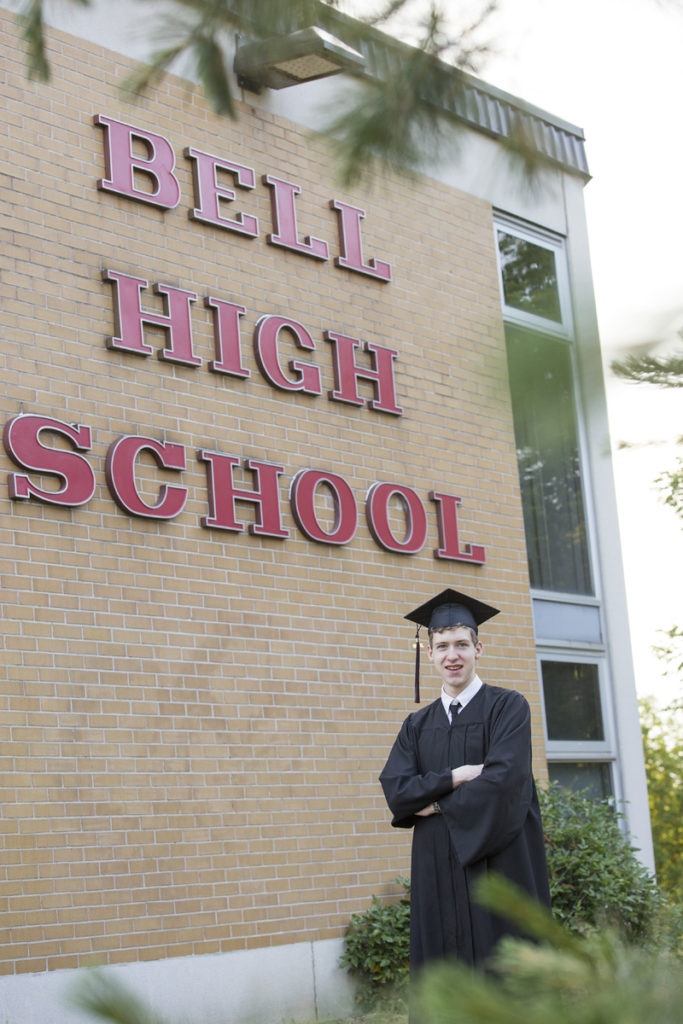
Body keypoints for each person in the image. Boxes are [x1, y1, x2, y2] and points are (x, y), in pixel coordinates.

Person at [379, 588, 551, 974]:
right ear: (429, 653)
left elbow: (504, 781)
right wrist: (455, 777)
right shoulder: (417, 725)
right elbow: (397, 790)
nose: (451, 655)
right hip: (436, 866)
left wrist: (436, 803)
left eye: (461, 644)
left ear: (479, 648)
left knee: (502, 966)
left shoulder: (508, 707)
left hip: (500, 861)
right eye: (442, 646)